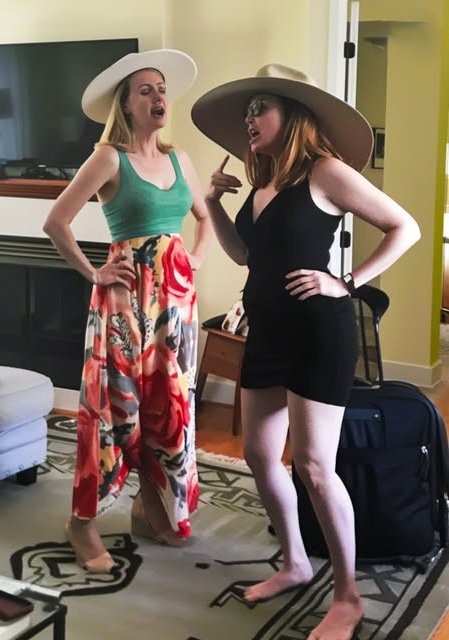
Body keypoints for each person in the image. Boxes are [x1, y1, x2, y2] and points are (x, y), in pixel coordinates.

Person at [191, 64, 420, 640]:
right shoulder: (265, 181)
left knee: (314, 466)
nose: (249, 119)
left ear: (292, 115)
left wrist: (347, 282)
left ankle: (348, 598)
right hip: (267, 331)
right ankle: (295, 562)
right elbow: (246, 256)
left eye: (259, 108)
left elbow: (404, 227)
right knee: (259, 454)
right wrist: (213, 203)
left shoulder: (325, 172)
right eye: (247, 111)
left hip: (319, 333)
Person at [43, 49, 211, 573]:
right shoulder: (109, 158)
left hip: (175, 307)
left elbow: (204, 217)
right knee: (114, 408)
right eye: (146, 90)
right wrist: (93, 271)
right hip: (123, 303)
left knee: (170, 404)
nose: (159, 97)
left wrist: (194, 260)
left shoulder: (181, 159)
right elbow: (56, 222)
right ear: (127, 104)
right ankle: (82, 523)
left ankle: (152, 502)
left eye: (162, 89)